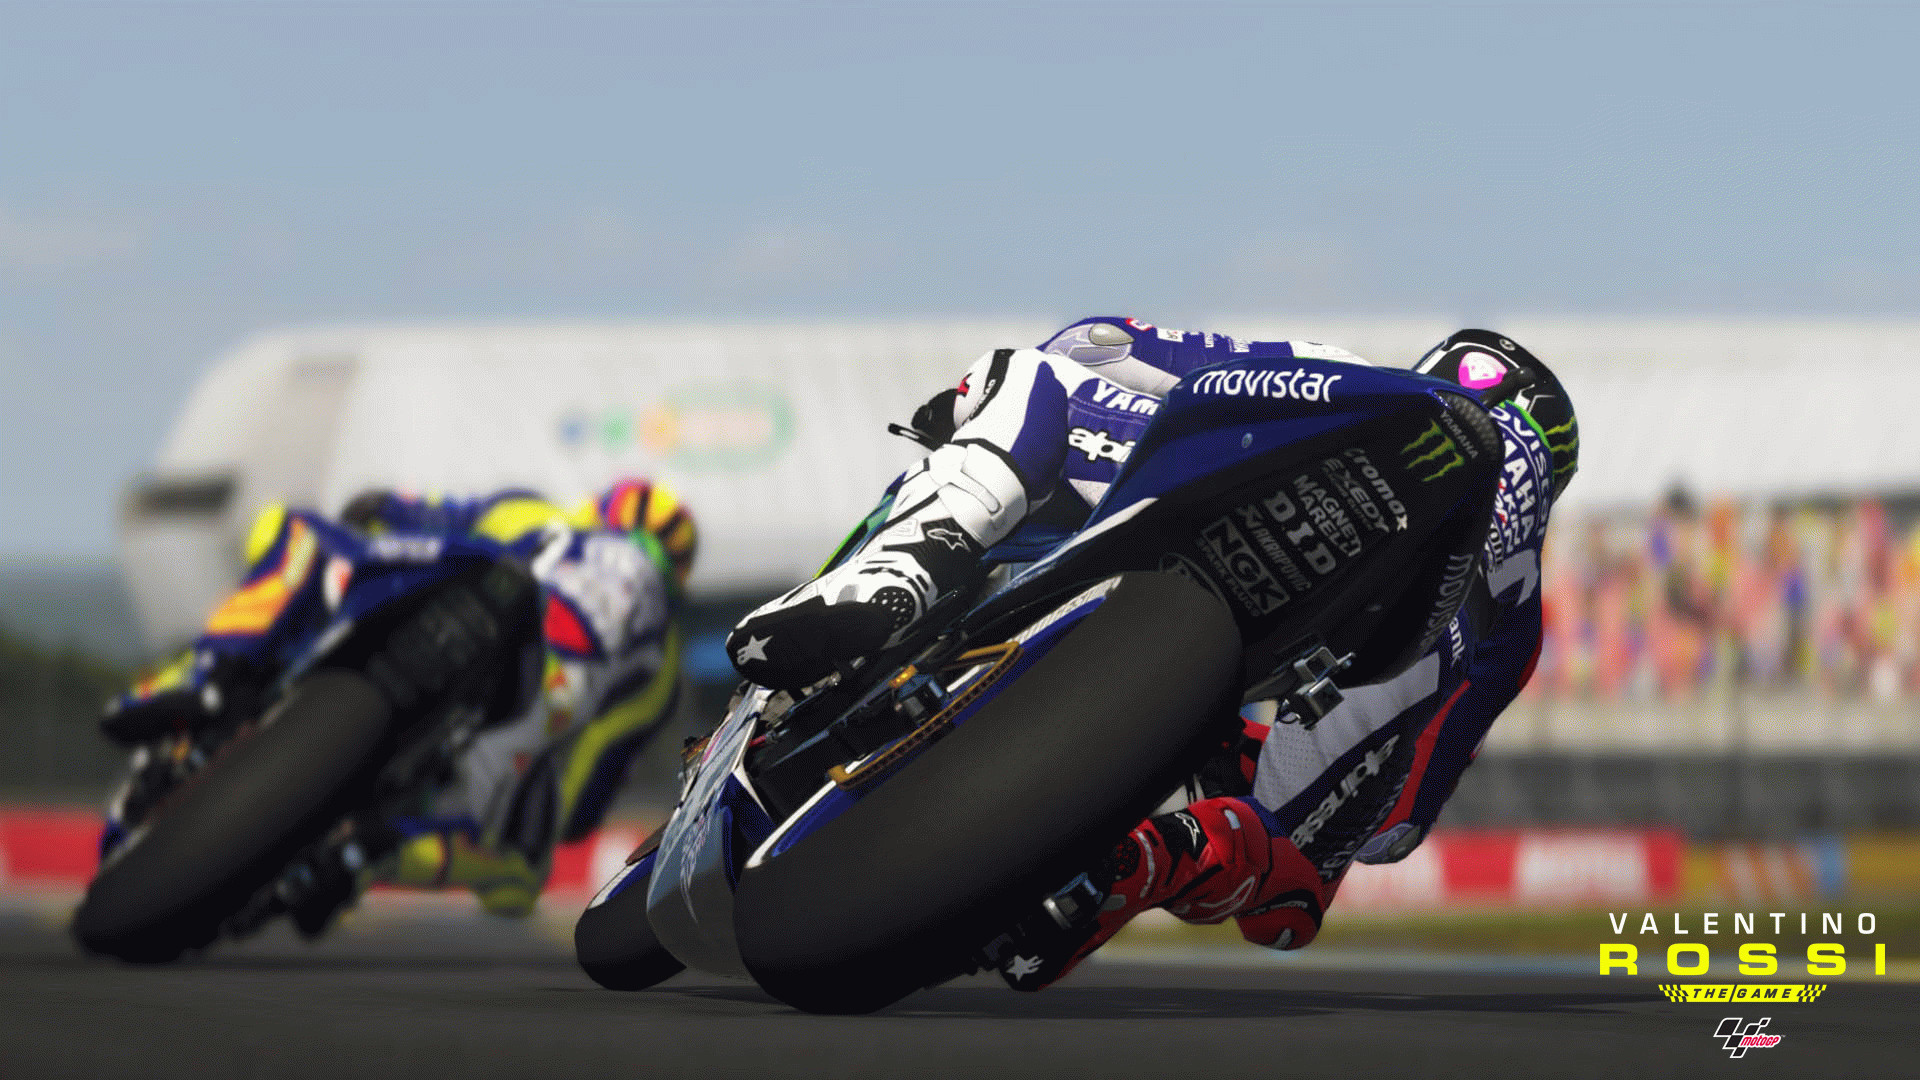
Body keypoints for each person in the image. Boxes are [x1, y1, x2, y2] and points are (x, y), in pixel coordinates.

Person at [724, 318, 1578, 988]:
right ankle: (1142, 863)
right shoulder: (1518, 611)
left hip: (1220, 529)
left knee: (1031, 376)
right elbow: (1388, 834)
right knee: (1291, 890)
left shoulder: (1340, 368)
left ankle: (906, 562)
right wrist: (1281, 813)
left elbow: (1101, 345)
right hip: (1370, 649)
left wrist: (962, 408)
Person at [101, 479, 697, 926]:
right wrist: (545, 811)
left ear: (595, 512)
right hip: (531, 704)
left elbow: (423, 510)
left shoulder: (537, 513)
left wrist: (381, 506)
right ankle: (370, 854)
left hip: (467, 614)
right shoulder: (662, 666)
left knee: (292, 530)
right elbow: (587, 786)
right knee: (521, 875)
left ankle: (209, 671)